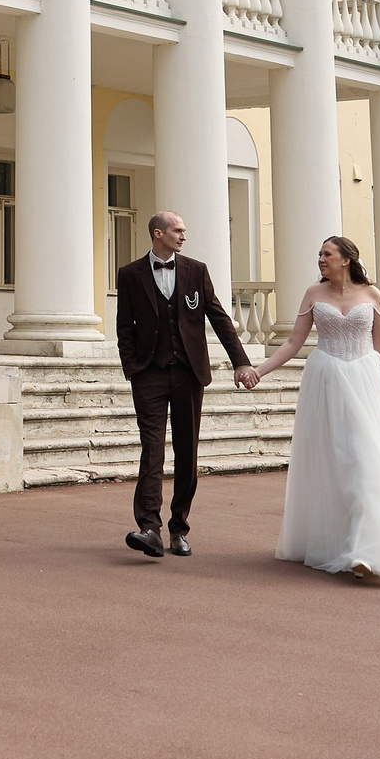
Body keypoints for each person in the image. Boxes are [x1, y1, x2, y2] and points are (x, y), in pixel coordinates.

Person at [241, 236, 380, 584]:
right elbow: (294, 342)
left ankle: (368, 550)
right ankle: (340, 544)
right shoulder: (314, 294)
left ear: (346, 260)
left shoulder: (372, 294)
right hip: (325, 383)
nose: (320, 260)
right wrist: (258, 371)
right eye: (319, 254)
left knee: (365, 461)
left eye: (327, 254)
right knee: (336, 463)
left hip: (366, 382)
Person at [114, 210, 248, 560]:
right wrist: (133, 368)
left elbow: (218, 317)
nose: (183, 236)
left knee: (187, 453)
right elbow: (124, 327)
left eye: (184, 231)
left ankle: (179, 529)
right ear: (158, 233)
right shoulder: (129, 274)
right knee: (152, 450)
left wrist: (241, 362)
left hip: (189, 373)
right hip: (150, 374)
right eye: (177, 230)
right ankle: (149, 529)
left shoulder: (195, 270)